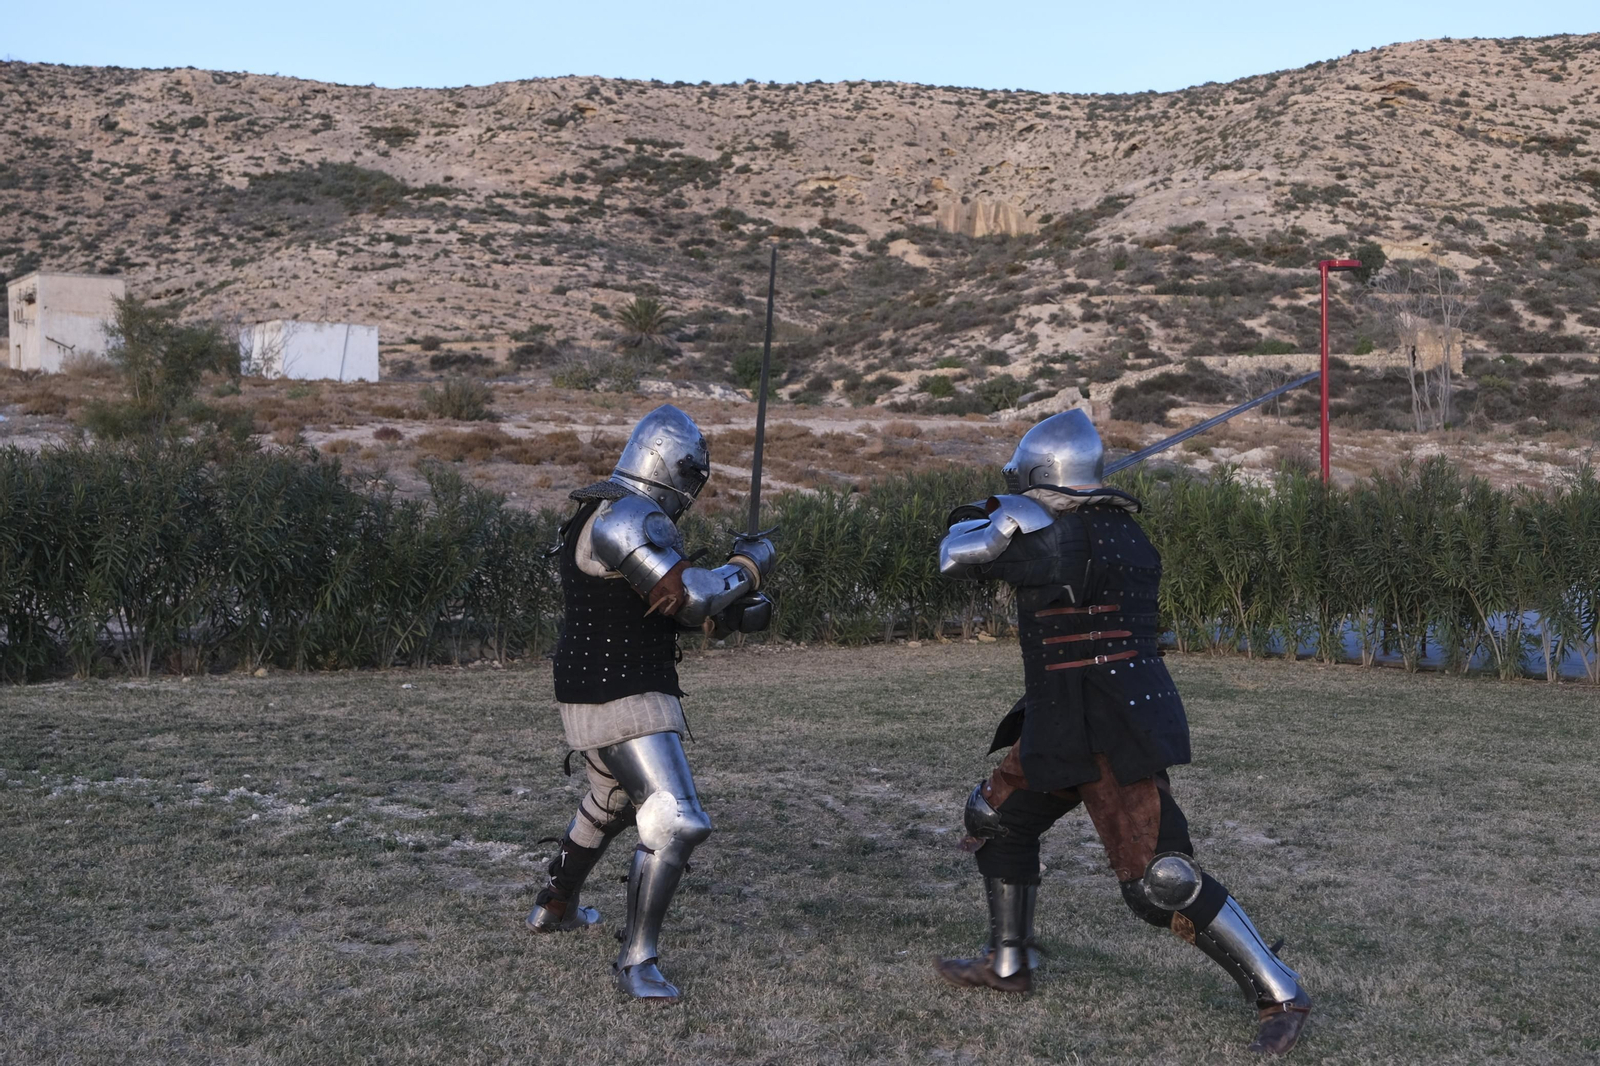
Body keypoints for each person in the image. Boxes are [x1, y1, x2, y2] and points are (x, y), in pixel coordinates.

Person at [932, 409, 1311, 1056]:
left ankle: (1281, 990)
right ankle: (1007, 964)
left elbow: (954, 553)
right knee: (997, 819)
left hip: (1108, 723)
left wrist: (1007, 511)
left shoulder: (1060, 537)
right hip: (1062, 716)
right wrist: (1021, 507)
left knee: (1159, 882)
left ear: (1039, 476)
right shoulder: (1115, 529)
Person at [525, 404, 774, 1003]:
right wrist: (748, 567)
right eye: (692, 475)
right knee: (677, 820)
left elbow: (660, 606)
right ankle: (637, 960)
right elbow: (688, 597)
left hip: (596, 683)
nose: (692, 490)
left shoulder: (604, 510)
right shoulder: (629, 515)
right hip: (623, 692)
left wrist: (730, 610)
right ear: (671, 466)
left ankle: (554, 905)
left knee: (609, 803)